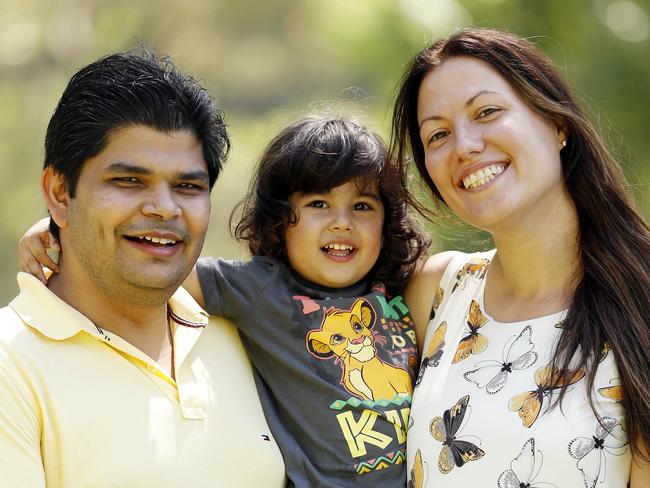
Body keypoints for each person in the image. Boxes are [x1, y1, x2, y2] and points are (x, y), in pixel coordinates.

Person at [21, 115, 430, 487]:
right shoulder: (260, 289)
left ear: (386, 221)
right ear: (278, 222)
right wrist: (62, 231)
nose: (342, 222)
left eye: (362, 206)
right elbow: (148, 264)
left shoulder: (400, 289)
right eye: (318, 204)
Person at [2, 51, 286, 487]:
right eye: (129, 181)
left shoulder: (247, 329)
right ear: (61, 193)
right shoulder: (11, 362)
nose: (164, 208)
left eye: (188, 186)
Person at [390, 27, 650, 487]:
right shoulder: (435, 291)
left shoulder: (640, 304)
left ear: (557, 124)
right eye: (438, 135)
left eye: (487, 112)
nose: (465, 146)